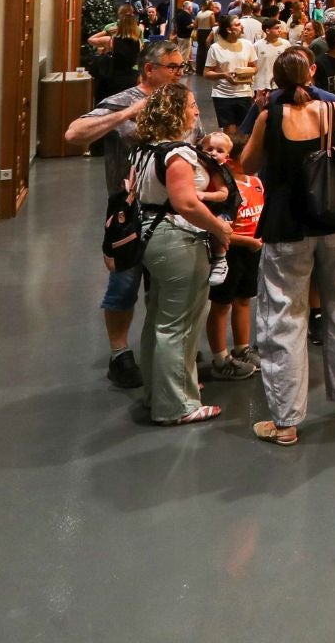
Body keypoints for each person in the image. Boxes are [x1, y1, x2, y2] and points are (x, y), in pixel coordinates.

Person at [241, 51, 335, 445]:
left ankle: (285, 422)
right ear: (311, 73)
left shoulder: (269, 116)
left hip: (287, 226)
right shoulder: (333, 111)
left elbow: (247, 164)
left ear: (277, 79)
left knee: (284, 316)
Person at [64, 38, 189, 388]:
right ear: (150, 69)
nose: (180, 73)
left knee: (167, 287)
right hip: (129, 211)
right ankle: (120, 354)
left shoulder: (181, 101)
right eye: (173, 67)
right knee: (124, 285)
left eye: (182, 67)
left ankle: (164, 353)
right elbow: (74, 133)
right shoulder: (121, 101)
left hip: (175, 209)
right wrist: (126, 115)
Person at [128, 85, 231, 426]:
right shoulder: (178, 155)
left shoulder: (143, 150)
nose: (196, 111)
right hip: (177, 240)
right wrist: (219, 228)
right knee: (182, 324)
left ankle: (157, 392)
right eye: (190, 106)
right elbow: (186, 203)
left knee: (158, 318)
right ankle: (178, 404)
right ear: (175, 112)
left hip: (149, 236)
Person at [200, 131, 264, 381]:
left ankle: (242, 348)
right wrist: (247, 241)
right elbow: (216, 227)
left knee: (244, 300)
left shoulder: (256, 183)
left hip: (252, 251)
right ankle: (220, 358)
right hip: (230, 251)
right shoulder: (222, 189)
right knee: (221, 305)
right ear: (234, 160)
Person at [204, 12, 259, 136]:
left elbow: (255, 68)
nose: (242, 27)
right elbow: (207, 73)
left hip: (244, 93)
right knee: (230, 131)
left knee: (244, 132)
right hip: (222, 95)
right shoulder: (215, 48)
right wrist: (224, 75)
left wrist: (246, 74)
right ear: (229, 29)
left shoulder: (247, 45)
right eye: (238, 25)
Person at [87, 3, 145, 99]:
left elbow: (90, 40)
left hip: (111, 78)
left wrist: (107, 32)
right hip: (131, 77)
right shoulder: (138, 42)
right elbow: (140, 56)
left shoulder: (111, 40)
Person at [251, 18, 291, 100]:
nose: (280, 30)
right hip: (262, 85)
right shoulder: (257, 46)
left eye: (280, 28)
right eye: (276, 28)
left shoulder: (286, 44)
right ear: (267, 31)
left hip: (280, 84)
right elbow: (253, 66)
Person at [192, 0, 217, 73]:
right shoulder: (211, 13)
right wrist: (218, 23)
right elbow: (212, 25)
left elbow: (195, 25)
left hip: (200, 32)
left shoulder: (199, 13)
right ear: (210, 6)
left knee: (200, 50)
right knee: (207, 50)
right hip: (208, 32)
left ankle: (199, 69)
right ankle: (206, 69)